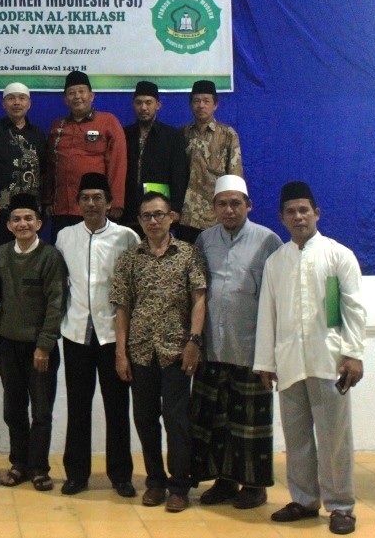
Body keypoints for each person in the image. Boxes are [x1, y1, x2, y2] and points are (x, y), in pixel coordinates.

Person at [254, 181, 366, 535]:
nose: (298, 216)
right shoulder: (276, 262)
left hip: (329, 361)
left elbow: (353, 309)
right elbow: (266, 315)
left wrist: (353, 354)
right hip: (289, 363)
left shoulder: (338, 255)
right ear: (281, 218)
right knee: (297, 437)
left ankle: (341, 506)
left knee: (335, 438)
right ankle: (304, 500)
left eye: (304, 210)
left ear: (317, 213)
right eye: (291, 211)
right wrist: (265, 363)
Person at [189, 175, 282, 509]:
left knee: (251, 423)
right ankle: (225, 481)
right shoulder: (204, 240)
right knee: (217, 421)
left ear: (249, 206)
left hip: (250, 349)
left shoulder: (267, 240)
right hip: (213, 347)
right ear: (213, 207)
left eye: (235, 203)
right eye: (222, 204)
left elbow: (277, 299)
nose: (229, 210)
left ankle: (255, 486)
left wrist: (271, 355)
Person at [111, 191, 207, 513]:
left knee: (177, 421)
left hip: (177, 352)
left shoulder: (188, 254)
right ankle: (155, 481)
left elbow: (199, 299)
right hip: (140, 353)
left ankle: (180, 485)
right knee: (144, 419)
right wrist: (121, 353)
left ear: (172, 217)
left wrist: (194, 341)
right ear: (139, 221)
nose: (153, 221)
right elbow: (122, 308)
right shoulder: (129, 258)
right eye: (147, 216)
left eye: (159, 214)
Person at [54, 173, 139, 498]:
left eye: (97, 198)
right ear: (78, 203)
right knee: (78, 406)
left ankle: (120, 475)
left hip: (112, 336)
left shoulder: (126, 237)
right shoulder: (65, 237)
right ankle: (76, 474)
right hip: (76, 333)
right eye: (85, 198)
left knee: (117, 407)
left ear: (109, 201)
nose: (91, 203)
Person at [0, 194, 67, 492]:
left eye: (28, 219)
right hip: (8, 344)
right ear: (9, 225)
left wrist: (44, 344)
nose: (22, 224)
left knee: (41, 412)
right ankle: (18, 464)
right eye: (16, 219)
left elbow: (56, 303)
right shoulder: (0, 255)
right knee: (13, 409)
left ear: (39, 223)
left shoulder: (50, 257)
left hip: (39, 348)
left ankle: (39, 468)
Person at [44, 70, 127, 240]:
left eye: (81, 91)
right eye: (71, 93)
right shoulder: (58, 127)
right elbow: (50, 166)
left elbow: (118, 163)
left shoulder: (108, 122)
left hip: (94, 209)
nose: (77, 97)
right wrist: (47, 200)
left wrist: (116, 202)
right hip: (62, 210)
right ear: (65, 99)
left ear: (91, 95)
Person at [0, 82, 46, 249]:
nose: (16, 103)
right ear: (3, 104)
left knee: (30, 254)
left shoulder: (37, 133)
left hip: (31, 212)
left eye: (22, 98)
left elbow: (43, 171)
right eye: (11, 98)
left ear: (29, 104)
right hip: (0, 211)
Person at [177, 80, 243, 242]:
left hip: (216, 216)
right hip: (187, 215)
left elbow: (235, 176)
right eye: (196, 101)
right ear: (191, 104)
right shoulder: (181, 134)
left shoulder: (227, 135)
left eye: (206, 101)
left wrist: (232, 210)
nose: (201, 105)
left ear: (215, 105)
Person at [122, 81, 188, 231]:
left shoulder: (172, 136)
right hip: (129, 212)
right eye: (139, 103)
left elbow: (179, 175)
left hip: (159, 213)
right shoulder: (125, 134)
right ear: (133, 105)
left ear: (158, 105)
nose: (143, 107)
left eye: (148, 102)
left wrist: (176, 208)